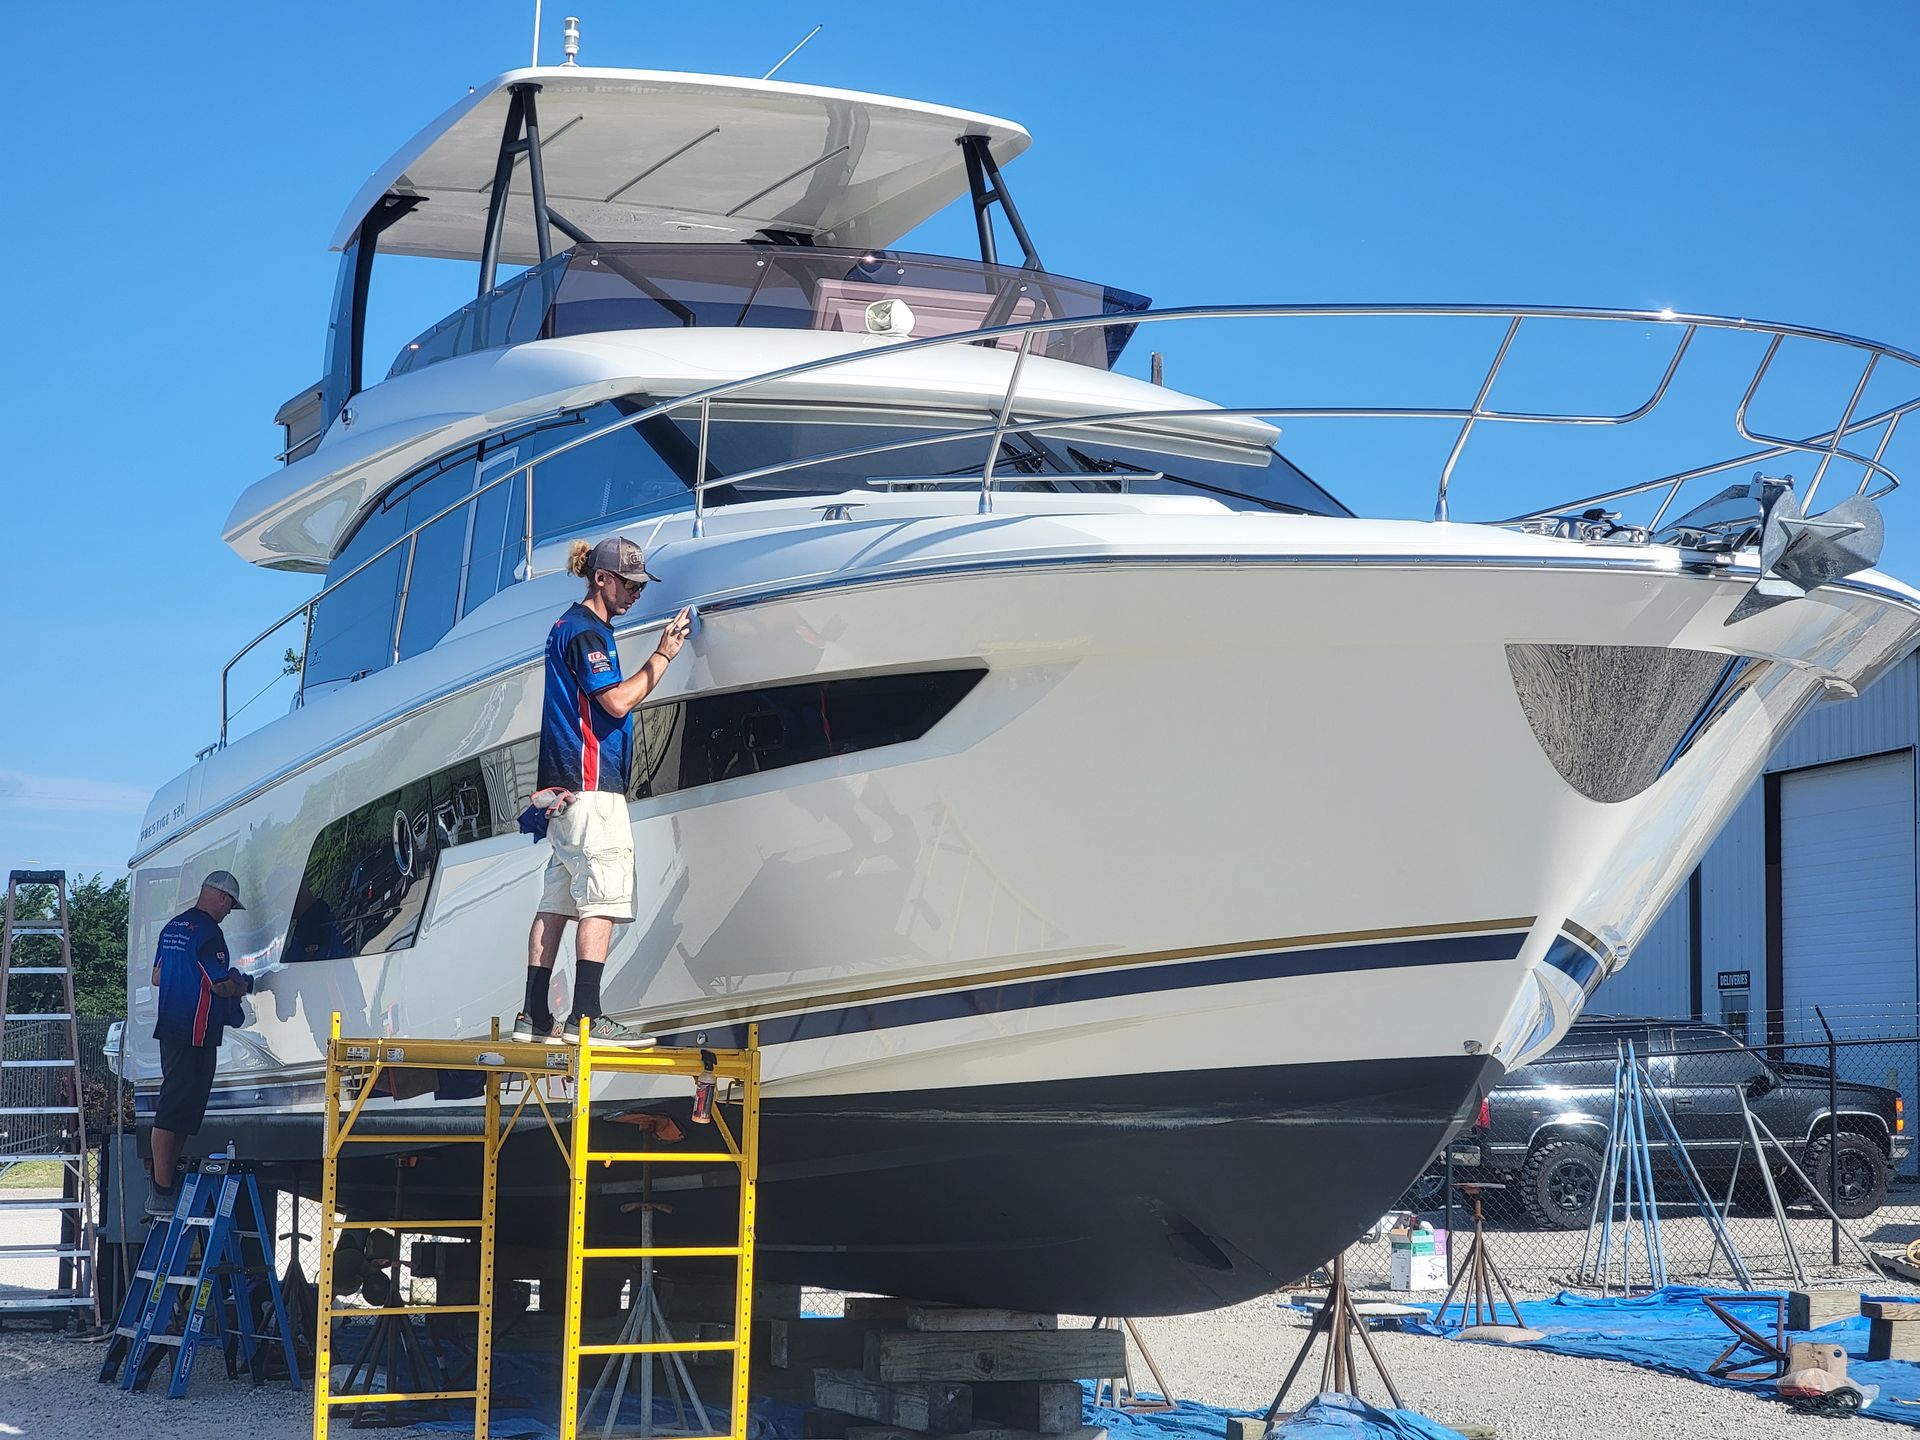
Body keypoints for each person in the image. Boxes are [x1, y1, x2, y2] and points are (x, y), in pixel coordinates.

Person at [516, 534, 691, 1045]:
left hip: (562, 794)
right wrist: (663, 655)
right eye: (630, 584)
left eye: (640, 585)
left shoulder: (564, 628)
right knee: (601, 901)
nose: (637, 593)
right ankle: (586, 1017)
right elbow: (616, 702)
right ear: (601, 578)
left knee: (558, 901)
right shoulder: (587, 633)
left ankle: (534, 1016)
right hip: (592, 788)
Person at [148, 870, 255, 1215]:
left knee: (179, 1109)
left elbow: (157, 976)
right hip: (195, 1032)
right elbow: (219, 984)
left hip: (171, 1028)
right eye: (230, 906)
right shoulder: (210, 934)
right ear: (221, 897)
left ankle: (167, 1183)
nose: (228, 913)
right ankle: (162, 1190)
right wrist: (243, 985)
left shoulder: (173, 927)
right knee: (174, 1109)